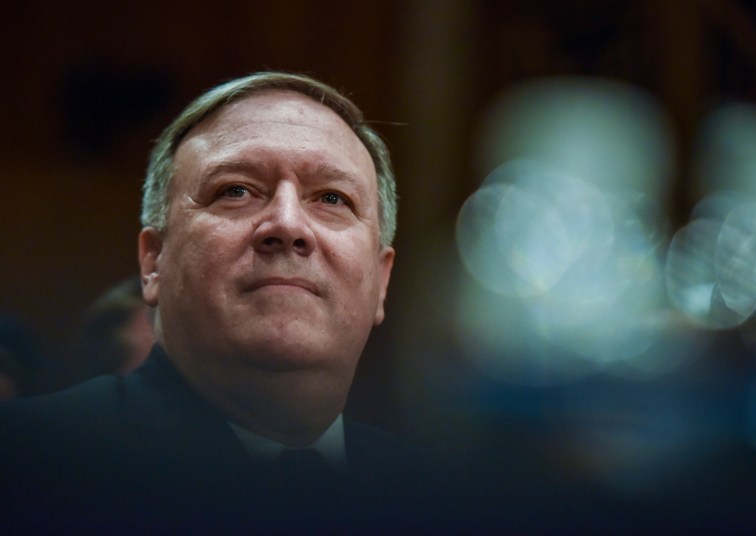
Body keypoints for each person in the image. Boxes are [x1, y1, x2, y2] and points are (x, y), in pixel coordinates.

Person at [0, 71, 440, 532]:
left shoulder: (441, 502)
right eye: (236, 191)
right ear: (153, 261)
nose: (287, 224)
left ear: (382, 279)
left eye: (332, 197)